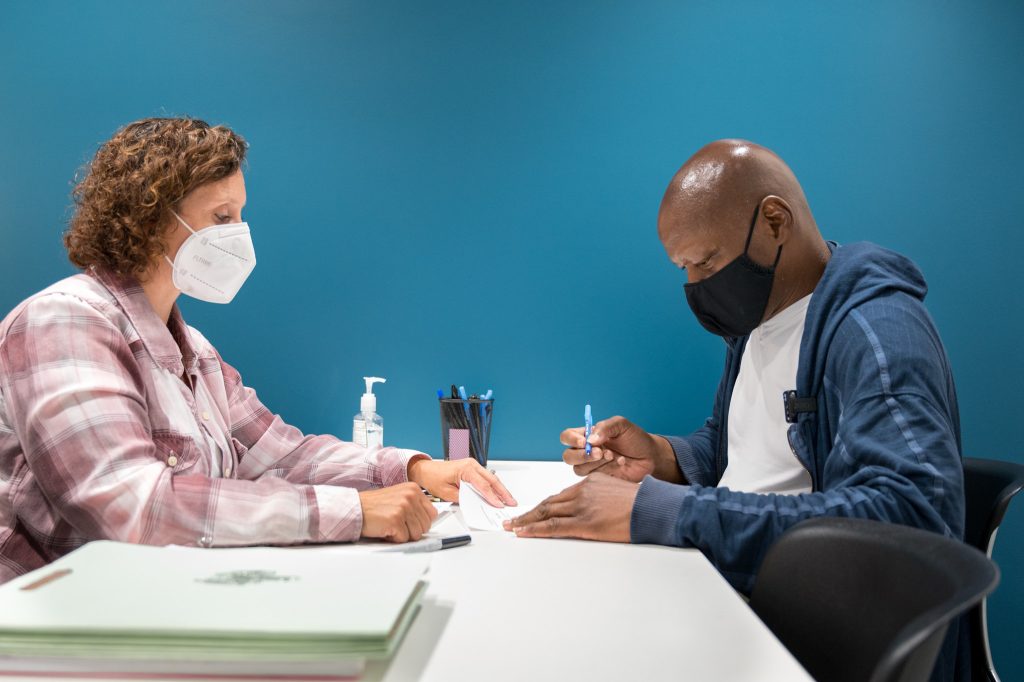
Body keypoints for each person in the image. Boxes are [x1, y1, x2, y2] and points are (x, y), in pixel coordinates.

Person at [504, 140, 966, 679]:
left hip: (813, 643)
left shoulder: (877, 333)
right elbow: (739, 452)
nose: (696, 287)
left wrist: (663, 511)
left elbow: (913, 520)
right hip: (740, 597)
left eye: (706, 262)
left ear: (774, 222)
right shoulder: (760, 326)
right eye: (683, 269)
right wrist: (658, 456)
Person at [0, 117, 515, 584]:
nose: (237, 235)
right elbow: (133, 508)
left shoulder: (193, 351)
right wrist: (353, 511)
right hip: (49, 626)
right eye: (221, 215)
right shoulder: (62, 323)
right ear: (151, 219)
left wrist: (411, 468)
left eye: (240, 214)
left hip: (152, 601)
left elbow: (283, 454)